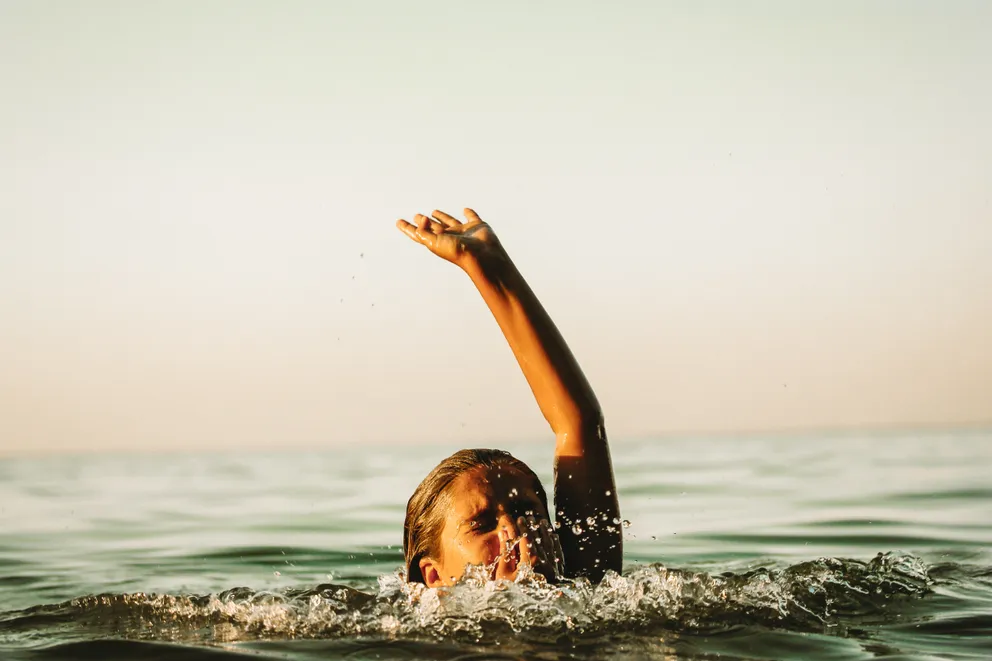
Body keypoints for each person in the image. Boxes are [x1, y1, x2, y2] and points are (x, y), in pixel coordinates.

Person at [395, 208, 622, 588]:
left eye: (528, 513)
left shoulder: (587, 587)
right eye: (481, 525)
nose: (516, 533)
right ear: (432, 576)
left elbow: (579, 422)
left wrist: (488, 266)